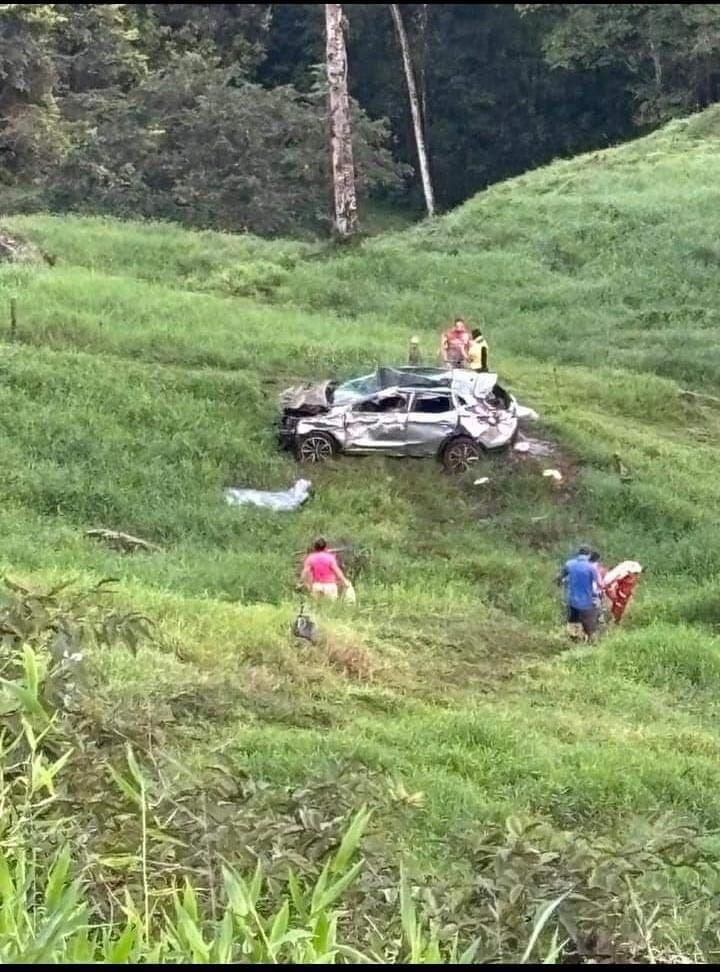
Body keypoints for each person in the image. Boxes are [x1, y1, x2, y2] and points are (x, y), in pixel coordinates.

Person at [556, 546, 600, 641]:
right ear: (588, 555)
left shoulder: (569, 564)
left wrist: (559, 584)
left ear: (578, 554)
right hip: (586, 602)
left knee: (573, 621)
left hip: (571, 600)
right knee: (589, 624)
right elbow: (599, 583)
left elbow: (560, 577)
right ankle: (590, 641)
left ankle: (574, 640)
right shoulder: (591, 567)